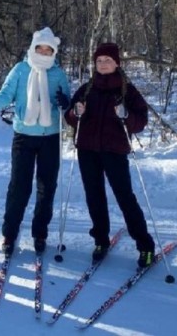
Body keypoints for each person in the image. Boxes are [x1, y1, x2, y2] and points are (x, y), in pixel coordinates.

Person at [0, 27, 71, 255]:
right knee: (19, 186)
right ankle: (9, 233)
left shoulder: (58, 73)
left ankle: (40, 233)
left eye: (47, 48)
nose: (43, 51)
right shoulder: (20, 69)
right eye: (39, 47)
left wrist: (65, 101)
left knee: (46, 187)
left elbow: (66, 102)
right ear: (32, 48)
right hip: (24, 136)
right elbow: (6, 95)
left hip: (50, 137)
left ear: (53, 51)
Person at [64, 42, 155, 268]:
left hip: (115, 151)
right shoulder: (86, 89)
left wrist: (126, 116)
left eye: (108, 60)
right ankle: (100, 241)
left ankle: (145, 246)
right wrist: (76, 112)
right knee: (94, 197)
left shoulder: (127, 91)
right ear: (94, 64)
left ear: (116, 63)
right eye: (99, 61)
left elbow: (141, 121)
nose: (103, 64)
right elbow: (69, 117)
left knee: (125, 197)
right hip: (87, 150)